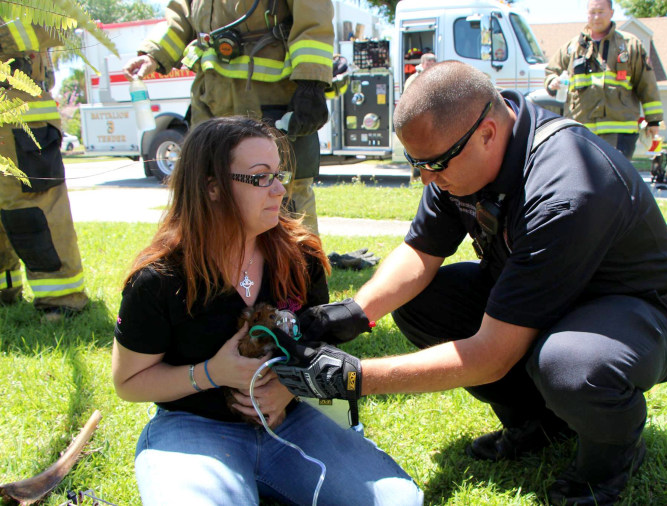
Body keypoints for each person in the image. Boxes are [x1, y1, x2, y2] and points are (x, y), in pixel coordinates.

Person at [272, 61, 667, 505]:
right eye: (415, 163)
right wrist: (354, 313)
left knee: (571, 364)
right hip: (556, 303)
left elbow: (492, 355)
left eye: (434, 164)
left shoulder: (565, 186)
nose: (425, 178)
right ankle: (537, 423)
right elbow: (421, 252)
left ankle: (611, 461)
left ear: (488, 133)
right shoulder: (457, 151)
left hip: (640, 312)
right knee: (423, 303)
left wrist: (354, 379)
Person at [110, 116, 422, 505]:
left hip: (294, 419)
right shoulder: (159, 279)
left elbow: (314, 347)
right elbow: (129, 382)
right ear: (212, 188)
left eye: (279, 173)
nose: (279, 189)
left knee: (398, 501)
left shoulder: (300, 257)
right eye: (261, 178)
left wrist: (288, 392)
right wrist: (210, 373)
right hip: (195, 425)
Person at [123, 0, 335, 233]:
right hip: (210, 101)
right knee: (207, 189)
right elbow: (180, 16)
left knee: (282, 193)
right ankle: (214, 266)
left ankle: (298, 268)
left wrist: (311, 83)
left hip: (270, 101)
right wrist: (152, 55)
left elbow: (314, 17)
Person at [0, 17, 89, 321]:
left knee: (33, 209)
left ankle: (61, 300)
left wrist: (4, 39)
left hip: (22, 118)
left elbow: (61, 20)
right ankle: (5, 289)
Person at [545, 0, 662, 160]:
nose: (596, 17)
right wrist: (553, 81)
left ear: (612, 13)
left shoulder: (630, 46)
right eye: (592, 12)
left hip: (620, 133)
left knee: (614, 180)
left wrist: (653, 121)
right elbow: (551, 71)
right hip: (580, 130)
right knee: (581, 179)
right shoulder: (572, 48)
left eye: (601, 12)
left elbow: (647, 85)